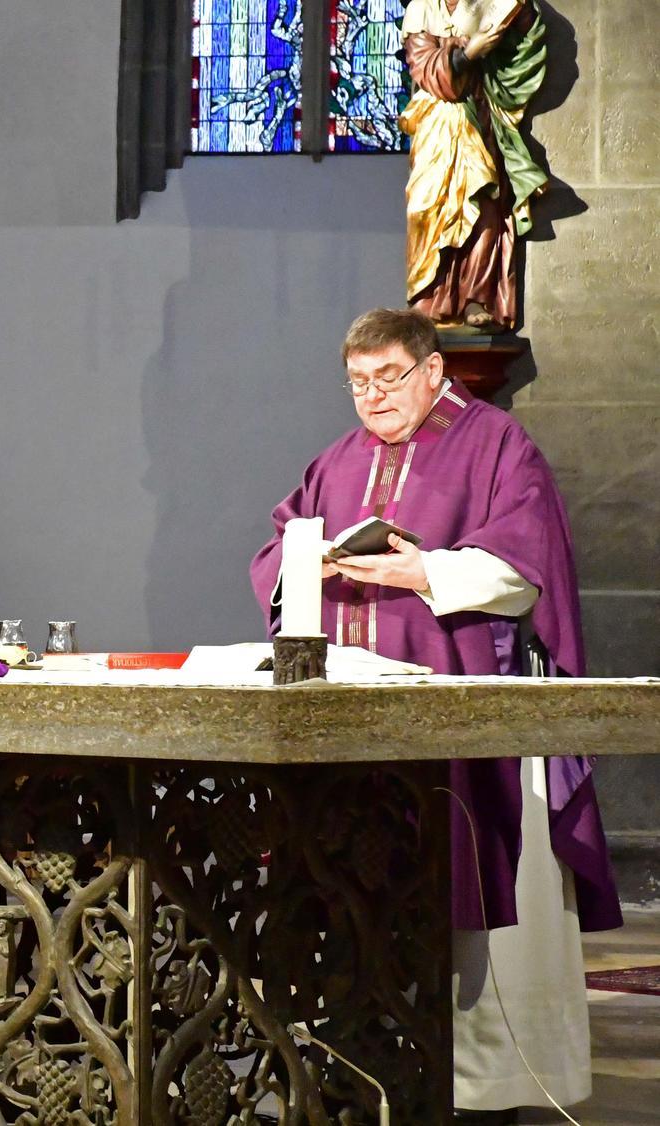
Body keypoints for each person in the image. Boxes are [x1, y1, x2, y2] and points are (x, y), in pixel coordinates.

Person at [249, 308, 620, 1123]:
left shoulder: (494, 445)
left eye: (387, 377)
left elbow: (525, 567)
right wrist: (305, 560)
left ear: (430, 372)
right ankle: (355, 1065)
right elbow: (276, 550)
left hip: (461, 729)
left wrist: (425, 572)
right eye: (356, 382)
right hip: (347, 726)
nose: (371, 396)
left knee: (477, 906)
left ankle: (485, 1091)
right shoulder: (336, 460)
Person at [401, 0, 548, 330]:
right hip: (435, 121)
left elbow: (522, 49)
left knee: (482, 206)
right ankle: (427, 297)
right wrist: (469, 53)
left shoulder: (486, 3)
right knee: (426, 208)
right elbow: (424, 67)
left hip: (478, 119)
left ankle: (474, 299)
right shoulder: (421, 8)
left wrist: (520, 15)